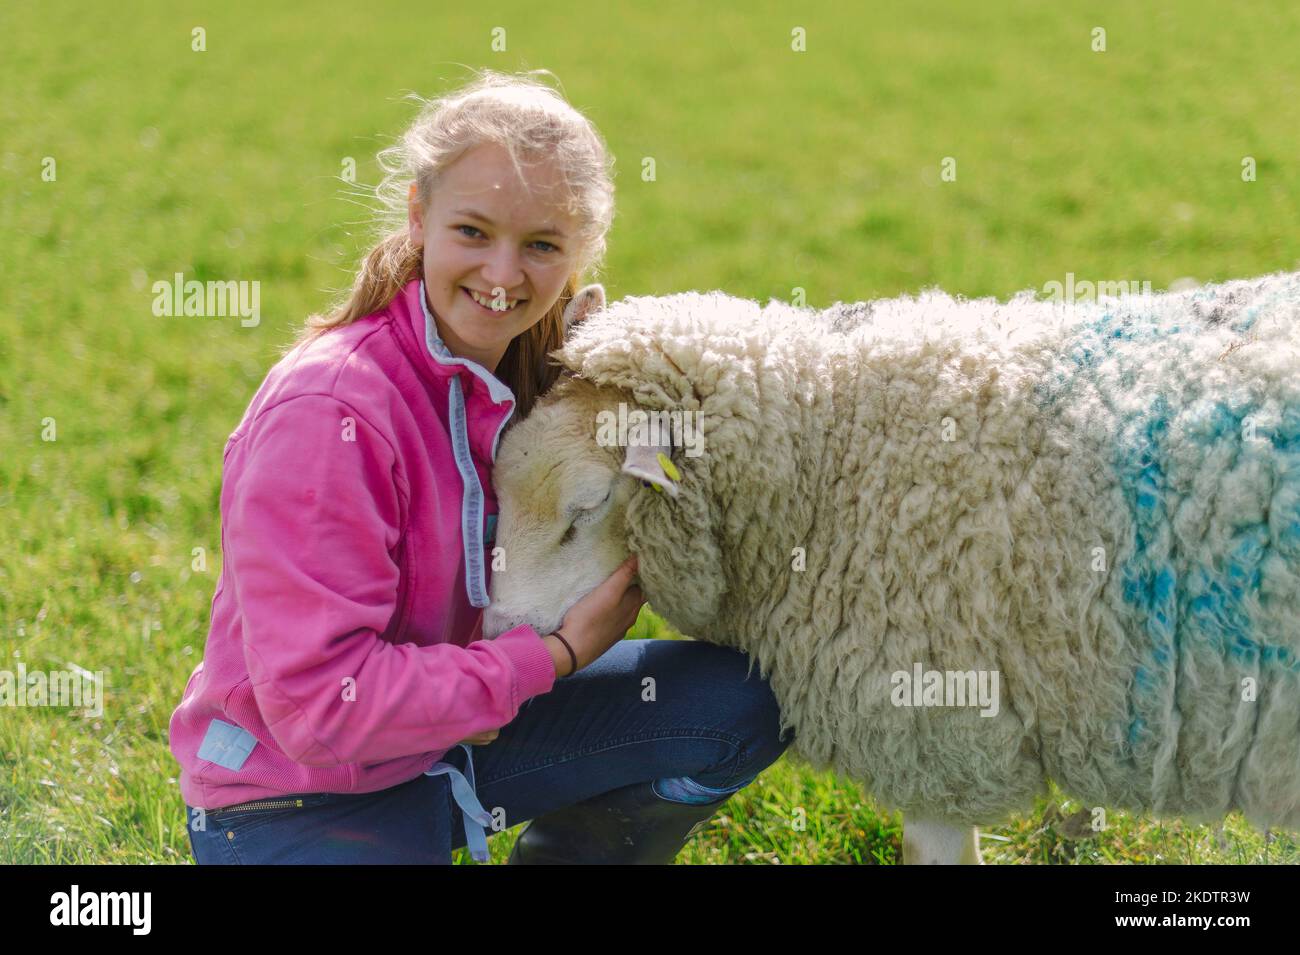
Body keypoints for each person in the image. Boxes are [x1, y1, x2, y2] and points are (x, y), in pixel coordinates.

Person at [168, 69, 792, 864]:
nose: (503, 276)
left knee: (741, 700)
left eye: (540, 246)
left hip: (468, 732)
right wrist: (554, 656)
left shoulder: (557, 378)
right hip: (300, 798)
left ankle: (570, 849)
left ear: (580, 255)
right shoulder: (332, 414)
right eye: (472, 232)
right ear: (419, 215)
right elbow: (321, 709)